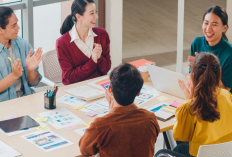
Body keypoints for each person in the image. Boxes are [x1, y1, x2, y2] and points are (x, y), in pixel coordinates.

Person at [155, 52, 232, 157]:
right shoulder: (227, 95)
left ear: (193, 75)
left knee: (161, 153)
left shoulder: (189, 107)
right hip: (226, 153)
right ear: (219, 74)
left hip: (200, 154)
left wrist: (189, 101)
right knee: (180, 148)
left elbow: (180, 136)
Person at [79, 63, 160, 157]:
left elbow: (84, 150)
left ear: (109, 89)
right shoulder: (150, 119)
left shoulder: (100, 125)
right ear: (138, 92)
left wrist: (110, 114)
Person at [179, 6, 232, 99]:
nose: (208, 28)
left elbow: (224, 90)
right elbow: (192, 78)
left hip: (220, 102)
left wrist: (203, 66)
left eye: (214, 25)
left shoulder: (229, 53)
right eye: (206, 23)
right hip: (200, 97)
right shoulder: (197, 43)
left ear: (224, 28)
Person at [56, 0, 111, 85]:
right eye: (91, 13)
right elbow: (69, 78)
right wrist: (92, 62)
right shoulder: (62, 43)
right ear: (78, 16)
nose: (96, 16)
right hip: (75, 90)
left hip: (99, 87)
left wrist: (99, 58)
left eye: (96, 12)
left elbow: (106, 68)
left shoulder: (102, 34)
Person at [0, 6, 42, 102]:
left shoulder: (23, 45)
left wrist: (31, 71)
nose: (18, 28)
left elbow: (34, 82)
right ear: (0, 30)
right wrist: (14, 75)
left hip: (25, 101)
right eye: (13, 25)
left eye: (17, 23)